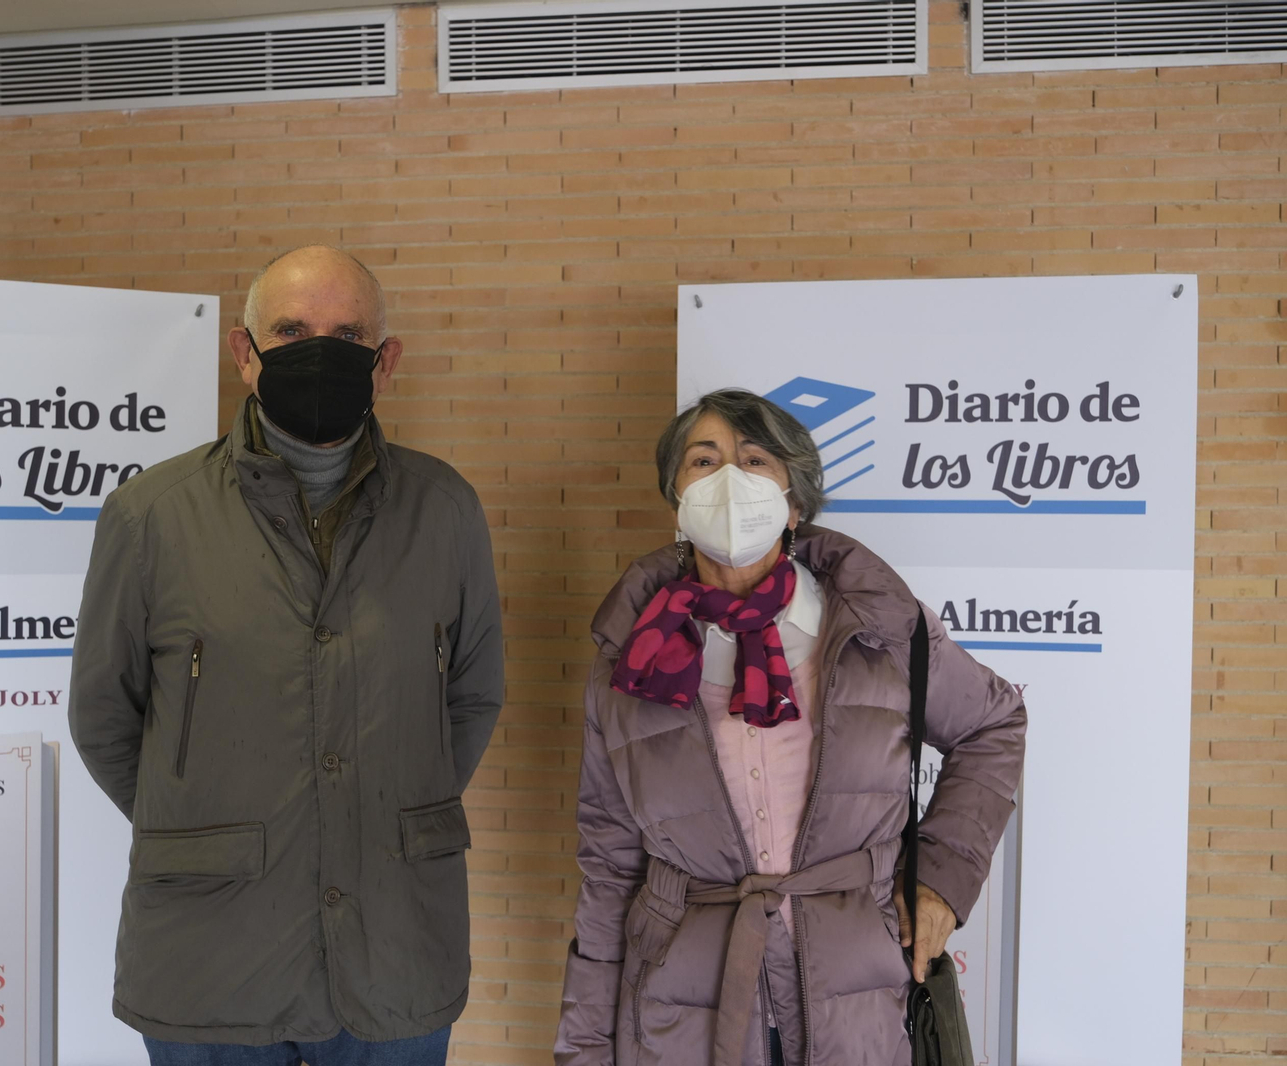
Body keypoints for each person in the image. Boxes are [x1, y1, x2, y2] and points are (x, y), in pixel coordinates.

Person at [70, 245, 504, 1066]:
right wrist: (201, 821)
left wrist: (384, 806)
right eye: (291, 329)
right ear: (245, 352)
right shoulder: (149, 516)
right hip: (212, 955)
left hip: (395, 945)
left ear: (384, 363)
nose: (318, 351)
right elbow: (104, 716)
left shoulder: (445, 509)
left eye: (347, 335)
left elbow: (473, 693)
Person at [554, 389, 1025, 1066]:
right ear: (676, 500)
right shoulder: (631, 658)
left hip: (853, 996)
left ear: (794, 501)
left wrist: (942, 880)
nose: (729, 481)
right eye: (703, 461)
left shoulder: (880, 628)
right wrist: (585, 1048)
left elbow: (993, 723)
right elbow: (609, 865)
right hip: (684, 1012)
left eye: (754, 460)